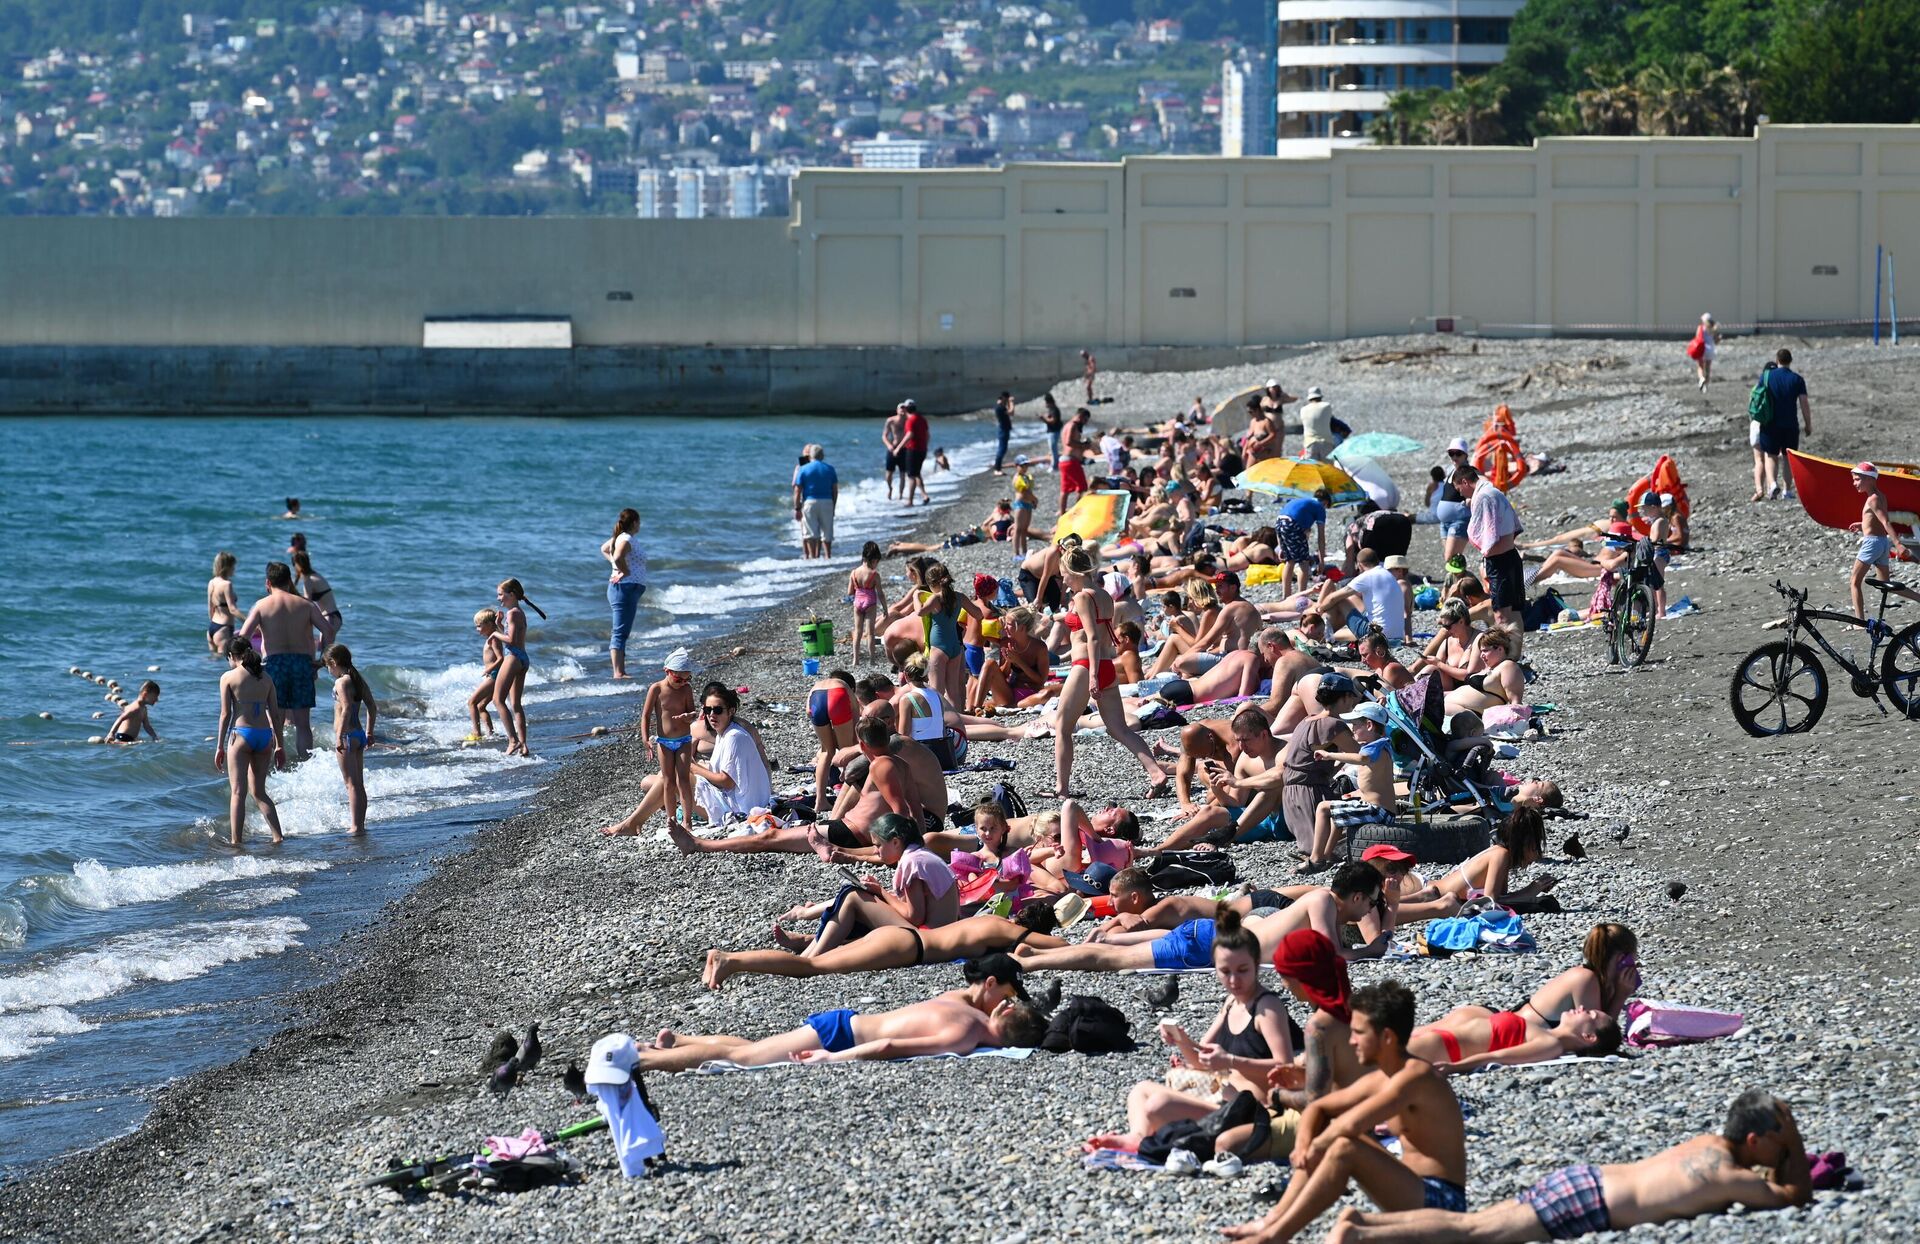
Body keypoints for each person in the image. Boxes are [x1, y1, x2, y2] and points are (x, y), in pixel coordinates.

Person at [1327, 1090, 1812, 1244]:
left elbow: (1769, 1180)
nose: (1782, 1150)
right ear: (1754, 1139)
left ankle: (1365, 1224)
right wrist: (1795, 1146)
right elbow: (1791, 1197)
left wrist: (1783, 1149)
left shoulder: (1709, 1145)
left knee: (1473, 1223)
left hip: (1586, 1180)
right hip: (1591, 1202)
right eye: (1777, 1140)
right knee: (1472, 1233)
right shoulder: (1728, 1175)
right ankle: (1363, 1236)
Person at [1222, 981, 1467, 1243]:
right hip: (1413, 1190)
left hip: (1443, 1201)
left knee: (1343, 1146)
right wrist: (1303, 1143)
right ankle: (1273, 1222)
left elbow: (1351, 1124)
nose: (1351, 1041)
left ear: (1386, 1037)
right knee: (1336, 1161)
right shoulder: (1383, 1076)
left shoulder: (1416, 1076)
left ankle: (1273, 1236)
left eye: (1359, 1033)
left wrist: (1314, 1149)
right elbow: (1319, 1106)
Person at [1082, 909, 1297, 1156]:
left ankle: (1139, 1143)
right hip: (1224, 1095)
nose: (1234, 980)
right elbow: (1201, 1061)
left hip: (1253, 1109)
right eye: (1225, 972)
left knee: (1159, 1105)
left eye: (1243, 970)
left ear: (1257, 964)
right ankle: (1137, 1138)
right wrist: (1182, 1041)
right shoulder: (1231, 1002)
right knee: (1140, 1090)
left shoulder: (1267, 1007)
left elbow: (1286, 1067)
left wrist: (1230, 1061)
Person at [640, 957, 1048, 1071]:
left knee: (758, 1048)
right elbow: (889, 1046)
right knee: (740, 1059)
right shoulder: (966, 1035)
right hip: (840, 1038)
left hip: (844, 1021)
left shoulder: (962, 1001)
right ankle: (647, 1060)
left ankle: (679, 1043)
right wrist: (832, 1059)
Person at [705, 906, 1069, 990]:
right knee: (811, 968)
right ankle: (732, 960)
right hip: (908, 948)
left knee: (820, 962)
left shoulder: (989, 921)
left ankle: (731, 961)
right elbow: (1057, 945)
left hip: (902, 938)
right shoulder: (1002, 930)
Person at [1054, 545, 1169, 799]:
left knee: (1062, 726)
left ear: (1074, 572)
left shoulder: (1082, 597)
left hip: (1087, 667)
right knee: (1119, 729)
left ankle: (1061, 789)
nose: (1063, 579)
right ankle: (1156, 773)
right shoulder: (1104, 595)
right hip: (1105, 665)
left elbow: (1093, 638)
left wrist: (1093, 675)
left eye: (1064, 574)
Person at [780, 813, 959, 956]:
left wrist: (881, 891)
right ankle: (809, 949)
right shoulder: (920, 855)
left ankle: (811, 957)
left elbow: (914, 917)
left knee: (853, 896)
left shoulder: (911, 863)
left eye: (878, 845)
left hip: (929, 938)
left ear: (895, 842)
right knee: (858, 896)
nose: (875, 851)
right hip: (940, 934)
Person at [236, 561, 336, 759]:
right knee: (303, 724)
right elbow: (328, 631)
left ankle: (274, 765)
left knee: (275, 722)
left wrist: (248, 666)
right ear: (289, 581)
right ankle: (305, 766)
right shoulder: (306, 605)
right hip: (302, 664)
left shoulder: (261, 606)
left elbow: (243, 638)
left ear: (267, 583)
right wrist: (321, 659)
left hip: (275, 665)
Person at [1303, 702, 1396, 871]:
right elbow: (1375, 783)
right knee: (1338, 813)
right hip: (1382, 809)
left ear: (1369, 725)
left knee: (1323, 808)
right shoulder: (1383, 745)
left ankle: (1315, 859)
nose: (1352, 729)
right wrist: (1357, 794)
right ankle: (1326, 855)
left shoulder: (1375, 746)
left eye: (1355, 725)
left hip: (1378, 811)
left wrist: (1329, 755)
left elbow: (1362, 759)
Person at [215, 637, 285, 846]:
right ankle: (277, 836)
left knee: (238, 792)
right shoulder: (266, 678)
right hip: (265, 736)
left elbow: (225, 714)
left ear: (231, 656)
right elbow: (275, 714)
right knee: (260, 792)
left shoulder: (228, 677)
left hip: (241, 735)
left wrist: (219, 746)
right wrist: (280, 744)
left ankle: (237, 842)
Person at [1409, 1003, 1622, 1072]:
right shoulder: (1544, 1033)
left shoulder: (1551, 1044)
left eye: (1591, 1015)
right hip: (1438, 1038)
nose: (1583, 1008)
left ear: (1588, 1036)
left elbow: (1499, 1056)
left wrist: (1455, 1067)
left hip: (1443, 1047)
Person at [1454, 463, 1526, 647]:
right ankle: (1514, 655)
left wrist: (1483, 549)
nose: (1460, 494)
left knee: (1501, 613)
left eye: (1459, 488)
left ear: (1464, 481)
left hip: (1500, 561)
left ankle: (1503, 657)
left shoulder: (1484, 496)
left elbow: (1486, 533)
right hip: (1511, 557)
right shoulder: (1494, 491)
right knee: (1514, 610)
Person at [686, 684, 773, 831]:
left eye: (718, 710)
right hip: (742, 802)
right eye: (708, 710)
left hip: (740, 809)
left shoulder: (734, 737)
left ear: (731, 711)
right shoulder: (725, 732)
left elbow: (727, 782)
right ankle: (635, 823)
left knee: (677, 777)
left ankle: (637, 823)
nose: (712, 715)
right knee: (666, 778)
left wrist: (694, 768)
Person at [1517, 924, 1640, 1024]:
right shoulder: (1585, 979)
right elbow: (1597, 1034)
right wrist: (1620, 996)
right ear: (1622, 959)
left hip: (1526, 1031)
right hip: (1514, 1033)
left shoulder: (1597, 979)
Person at [641, 647, 699, 833]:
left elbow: (693, 713)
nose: (682, 683)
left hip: (683, 740)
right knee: (668, 781)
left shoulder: (686, 689)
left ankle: (687, 821)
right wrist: (645, 739)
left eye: (686, 679)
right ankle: (671, 819)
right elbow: (646, 716)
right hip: (664, 742)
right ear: (667, 671)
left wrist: (687, 717)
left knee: (683, 780)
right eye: (678, 679)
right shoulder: (656, 689)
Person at [324, 643, 377, 836]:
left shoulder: (342, 682)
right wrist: (370, 732)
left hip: (346, 736)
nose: (329, 671)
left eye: (328, 666)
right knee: (358, 783)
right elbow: (372, 706)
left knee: (351, 784)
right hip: (359, 735)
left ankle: (355, 826)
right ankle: (360, 825)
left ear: (334, 662)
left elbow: (346, 708)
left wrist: (338, 736)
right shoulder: (357, 679)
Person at [916, 563, 983, 712]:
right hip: (955, 646)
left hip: (938, 648)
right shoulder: (959, 597)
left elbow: (920, 612)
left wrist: (916, 596)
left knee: (936, 690)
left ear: (931, 584)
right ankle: (959, 723)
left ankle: (939, 723)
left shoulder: (935, 599)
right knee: (953, 691)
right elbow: (979, 614)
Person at [490, 578, 545, 758]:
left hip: (513, 657)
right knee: (515, 704)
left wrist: (494, 632)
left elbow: (511, 640)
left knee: (498, 700)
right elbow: (514, 635)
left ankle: (513, 740)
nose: (498, 598)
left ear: (511, 594)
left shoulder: (513, 613)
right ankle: (524, 745)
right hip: (522, 658)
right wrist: (499, 625)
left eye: (501, 594)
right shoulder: (518, 612)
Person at [1752, 348, 1812, 502]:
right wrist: (1808, 424)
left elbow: (1757, 397)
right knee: (1788, 458)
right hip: (1790, 424)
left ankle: (1772, 485)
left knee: (1771, 456)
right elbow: (1804, 403)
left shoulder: (1767, 376)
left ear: (1777, 360)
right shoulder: (1797, 379)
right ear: (1790, 361)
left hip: (1770, 423)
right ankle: (1787, 490)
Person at [1848, 462, 1903, 621]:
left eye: (1858, 479)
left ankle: (1859, 621)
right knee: (1887, 584)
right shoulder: (1880, 496)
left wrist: (1898, 544)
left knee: (1854, 582)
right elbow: (1877, 520)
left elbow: (1885, 522)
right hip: (1882, 543)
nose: (1854, 483)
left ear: (1870, 480)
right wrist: (1863, 524)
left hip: (1872, 544)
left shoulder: (1872, 499)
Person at [602, 507, 648, 679]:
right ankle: (618, 672)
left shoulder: (621, 537)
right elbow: (619, 555)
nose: (640, 525)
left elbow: (605, 549)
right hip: (624, 587)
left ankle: (620, 670)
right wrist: (623, 571)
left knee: (622, 631)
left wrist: (616, 566)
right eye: (639, 522)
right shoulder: (626, 539)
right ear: (635, 522)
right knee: (620, 631)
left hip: (626, 588)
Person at [1276, 489, 1332, 597]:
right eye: (1326, 506)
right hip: (1292, 525)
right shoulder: (1319, 507)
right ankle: (1301, 596)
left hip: (1280, 522)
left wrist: (1281, 547)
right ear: (1325, 502)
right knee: (1304, 563)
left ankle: (1286, 596)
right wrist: (1321, 561)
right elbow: (1321, 537)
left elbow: (1286, 518)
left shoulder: (1304, 502)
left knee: (1290, 561)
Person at [793, 444, 839, 558]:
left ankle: (813, 558)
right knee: (827, 533)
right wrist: (833, 506)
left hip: (810, 502)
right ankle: (828, 556)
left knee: (810, 534)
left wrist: (797, 507)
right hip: (827, 501)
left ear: (810, 456)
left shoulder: (803, 469)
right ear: (822, 456)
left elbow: (797, 490)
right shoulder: (830, 469)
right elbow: (835, 490)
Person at [1432, 439, 1473, 565]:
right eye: (1451, 453)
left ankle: (1463, 582)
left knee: (1450, 558)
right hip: (1445, 522)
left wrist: (1471, 499)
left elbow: (1482, 483)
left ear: (1465, 454)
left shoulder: (1469, 471)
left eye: (1458, 453)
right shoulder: (1451, 471)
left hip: (1459, 521)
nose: (1454, 457)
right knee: (1451, 560)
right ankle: (1456, 582)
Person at [291, 549, 341, 651]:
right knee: (325, 652)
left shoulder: (308, 579)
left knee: (325, 653)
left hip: (330, 618)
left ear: (297, 564)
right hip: (333, 617)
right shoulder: (315, 575)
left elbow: (306, 603)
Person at [847, 542, 888, 666]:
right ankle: (872, 660)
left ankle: (856, 660)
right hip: (870, 603)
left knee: (858, 631)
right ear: (874, 559)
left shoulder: (854, 573)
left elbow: (849, 592)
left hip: (858, 602)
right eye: (877, 562)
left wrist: (858, 589)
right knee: (870, 633)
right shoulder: (874, 575)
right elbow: (880, 593)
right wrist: (885, 608)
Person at [467, 608, 501, 743]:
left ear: (489, 624)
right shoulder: (491, 638)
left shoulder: (494, 639)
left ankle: (476, 733)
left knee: (472, 702)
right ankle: (490, 734)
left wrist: (489, 670)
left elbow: (501, 658)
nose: (477, 629)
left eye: (479, 626)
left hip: (494, 675)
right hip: (492, 675)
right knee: (481, 706)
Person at [206, 551, 242, 652]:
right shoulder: (226, 584)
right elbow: (233, 609)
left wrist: (214, 626)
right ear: (227, 567)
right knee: (221, 664)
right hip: (224, 628)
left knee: (212, 663)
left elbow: (210, 608)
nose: (234, 569)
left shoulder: (212, 582)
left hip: (212, 628)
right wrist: (248, 621)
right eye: (233, 566)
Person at [899, 398, 931, 507]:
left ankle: (910, 501)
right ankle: (924, 495)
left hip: (913, 450)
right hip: (922, 450)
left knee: (911, 475)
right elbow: (927, 435)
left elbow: (909, 434)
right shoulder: (922, 419)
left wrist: (898, 447)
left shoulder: (910, 420)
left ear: (906, 409)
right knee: (916, 473)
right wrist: (925, 447)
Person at [1299, 386, 1336, 460]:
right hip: (1326, 441)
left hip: (1310, 442)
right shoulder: (1327, 406)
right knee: (1327, 468)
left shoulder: (1303, 410)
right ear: (1320, 397)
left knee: (1312, 467)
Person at [881, 404, 907, 500]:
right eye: (901, 408)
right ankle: (890, 488)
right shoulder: (891, 421)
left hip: (904, 449)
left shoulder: (908, 421)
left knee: (902, 473)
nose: (903, 411)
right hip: (892, 448)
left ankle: (900, 494)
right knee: (889, 473)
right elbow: (884, 436)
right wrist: (889, 445)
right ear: (897, 410)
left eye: (904, 409)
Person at [1687, 312, 1717, 390]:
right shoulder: (1714, 328)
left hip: (1702, 349)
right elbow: (1716, 340)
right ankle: (1706, 386)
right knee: (1708, 368)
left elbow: (1697, 338)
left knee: (1700, 366)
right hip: (1711, 350)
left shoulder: (1701, 327)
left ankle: (1701, 378)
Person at [1038, 394, 1065, 471]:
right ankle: (1054, 464)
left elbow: (1053, 421)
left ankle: (1054, 466)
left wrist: (1043, 419)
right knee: (1053, 449)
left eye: (1046, 402)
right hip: (1052, 431)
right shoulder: (1052, 409)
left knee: (1053, 449)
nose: (1045, 404)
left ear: (1049, 402)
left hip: (1054, 431)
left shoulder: (1054, 410)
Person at [991, 390, 1016, 473]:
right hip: (1003, 430)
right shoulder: (1000, 408)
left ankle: (998, 467)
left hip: (1004, 429)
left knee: (1003, 449)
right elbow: (1011, 412)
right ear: (1005, 398)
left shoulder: (1001, 406)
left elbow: (1009, 410)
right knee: (1002, 449)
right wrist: (1011, 402)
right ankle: (997, 469)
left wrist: (1008, 402)